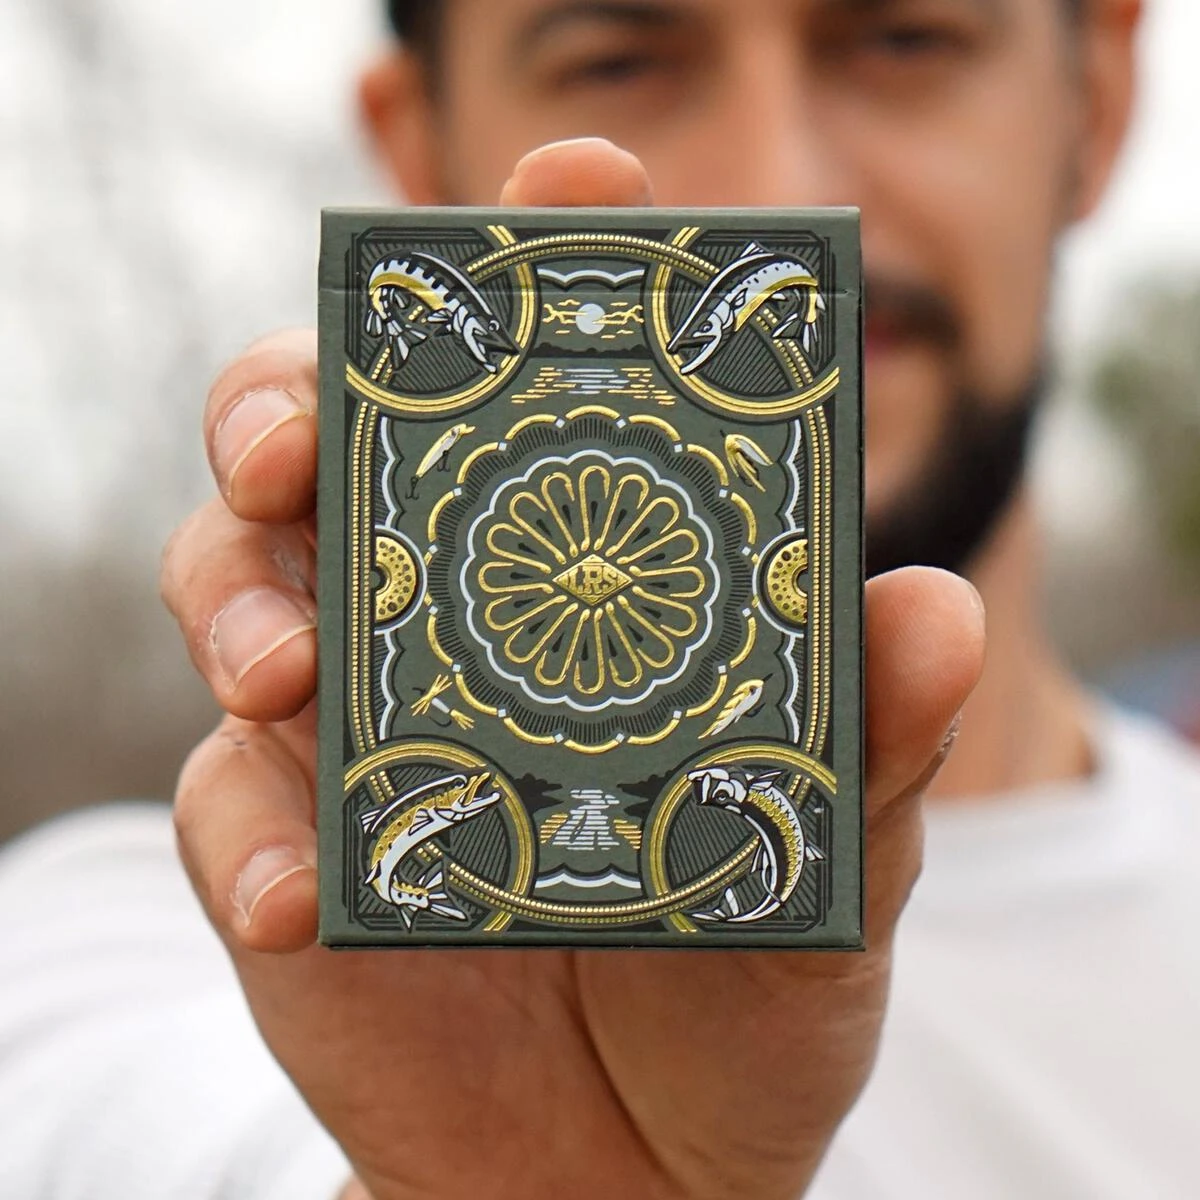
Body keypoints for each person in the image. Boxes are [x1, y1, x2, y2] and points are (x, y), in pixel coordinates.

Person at [2, 1, 1197, 1197]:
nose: (780, 188)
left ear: (1096, 99)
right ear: (416, 146)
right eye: (619, 61)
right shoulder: (127, 949)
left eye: (903, 43)